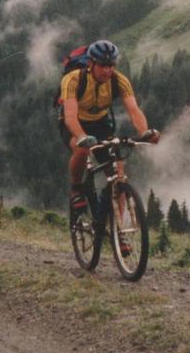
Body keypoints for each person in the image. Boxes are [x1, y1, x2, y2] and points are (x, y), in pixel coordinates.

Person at [58, 39, 159, 218]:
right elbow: (70, 117)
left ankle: (119, 230)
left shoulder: (119, 80)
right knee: (81, 150)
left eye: (111, 65)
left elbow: (134, 110)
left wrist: (145, 132)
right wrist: (81, 136)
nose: (107, 70)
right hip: (74, 121)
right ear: (91, 63)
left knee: (118, 172)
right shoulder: (73, 79)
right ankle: (76, 189)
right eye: (103, 65)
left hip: (100, 123)